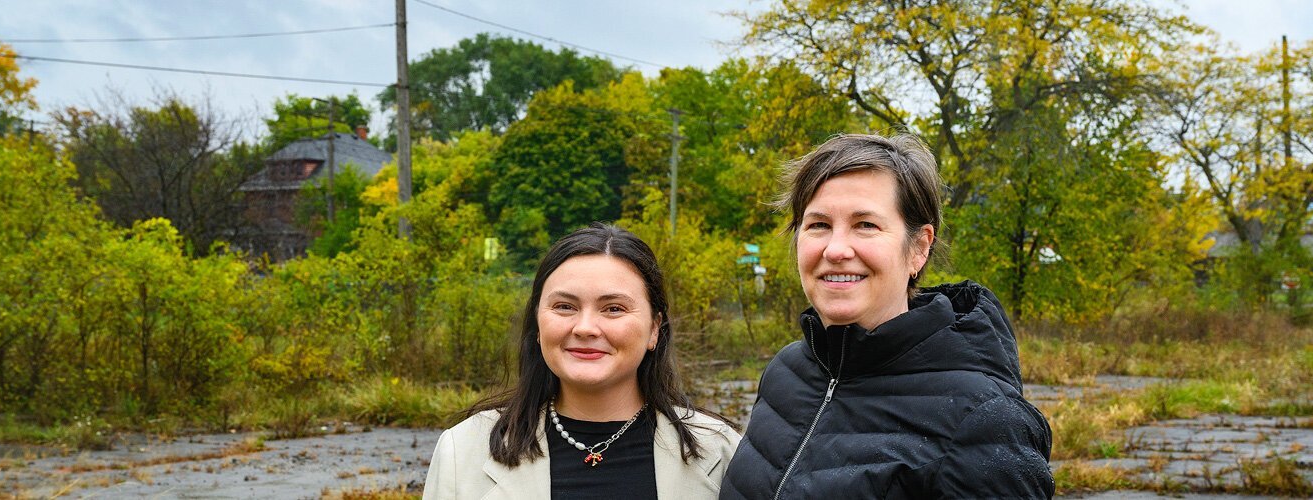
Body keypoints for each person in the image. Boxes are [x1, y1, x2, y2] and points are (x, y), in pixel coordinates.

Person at [719, 134, 1054, 499]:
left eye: (866, 225)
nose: (836, 249)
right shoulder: (786, 372)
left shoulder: (983, 420)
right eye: (818, 225)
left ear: (919, 248)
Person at [424, 223, 741, 500]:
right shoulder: (462, 450)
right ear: (537, 325)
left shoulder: (721, 451)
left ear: (654, 328)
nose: (585, 327)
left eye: (613, 308)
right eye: (564, 306)